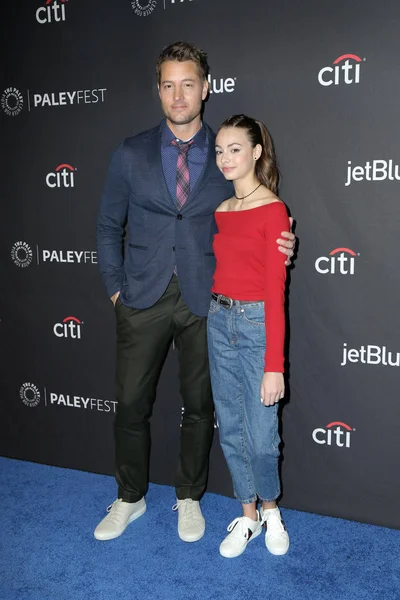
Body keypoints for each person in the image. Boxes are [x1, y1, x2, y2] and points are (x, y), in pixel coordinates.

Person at [95, 42, 295, 544]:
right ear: (158, 90)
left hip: (208, 302)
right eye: (168, 84)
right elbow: (106, 225)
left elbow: (252, 213)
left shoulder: (224, 152)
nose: (179, 94)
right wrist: (116, 291)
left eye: (189, 83)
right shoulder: (130, 151)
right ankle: (129, 497)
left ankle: (189, 497)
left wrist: (280, 242)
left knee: (202, 408)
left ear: (206, 88)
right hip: (141, 297)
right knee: (131, 404)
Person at [207, 114, 290, 558]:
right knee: (232, 426)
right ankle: (249, 516)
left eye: (235, 149)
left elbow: (275, 292)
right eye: (219, 150)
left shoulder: (274, 210)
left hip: (257, 325)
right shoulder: (221, 211)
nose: (225, 158)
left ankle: (272, 508)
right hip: (217, 321)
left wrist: (274, 364)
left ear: (257, 152)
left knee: (261, 434)